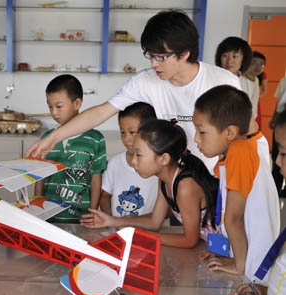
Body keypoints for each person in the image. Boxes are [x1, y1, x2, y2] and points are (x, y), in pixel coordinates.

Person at [26, 10, 244, 173]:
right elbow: (102, 112)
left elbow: (243, 138)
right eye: (150, 55)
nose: (154, 63)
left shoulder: (223, 82)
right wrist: (53, 138)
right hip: (177, 181)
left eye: (161, 57)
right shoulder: (147, 81)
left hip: (220, 179)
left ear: (184, 53)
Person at [81, 119, 218, 249]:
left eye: (139, 155)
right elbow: (154, 221)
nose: (133, 161)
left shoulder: (185, 186)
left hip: (225, 248)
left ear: (164, 158)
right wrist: (113, 221)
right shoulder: (165, 180)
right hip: (212, 245)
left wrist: (140, 236)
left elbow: (190, 241)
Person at [194, 85, 280, 281]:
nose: (196, 139)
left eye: (202, 132)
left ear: (230, 132)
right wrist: (224, 250)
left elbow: (234, 218)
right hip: (246, 257)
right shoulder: (242, 149)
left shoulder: (240, 152)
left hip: (253, 268)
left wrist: (238, 265)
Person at [209, 108, 286, 295]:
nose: (277, 162)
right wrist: (269, 293)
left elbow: (233, 218)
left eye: (284, 153)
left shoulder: (241, 151)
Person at [34, 74, 107, 224]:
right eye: (50, 106)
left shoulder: (95, 139)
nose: (54, 112)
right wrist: (36, 208)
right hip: (49, 218)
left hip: (81, 219)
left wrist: (92, 213)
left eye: (59, 106)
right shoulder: (47, 138)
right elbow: (39, 177)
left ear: (77, 103)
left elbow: (96, 178)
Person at [100, 102, 158, 217]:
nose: (126, 138)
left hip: (149, 232)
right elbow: (104, 196)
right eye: (122, 132)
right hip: (119, 231)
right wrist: (112, 223)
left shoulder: (159, 165)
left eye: (132, 132)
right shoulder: (115, 163)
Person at [215, 37, 259, 122]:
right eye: (225, 56)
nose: (229, 61)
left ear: (243, 59)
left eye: (235, 56)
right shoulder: (210, 80)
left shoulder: (251, 86)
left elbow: (252, 115)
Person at [271, 76, 286, 195]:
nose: (277, 161)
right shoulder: (284, 81)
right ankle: (276, 186)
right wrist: (274, 117)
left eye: (284, 154)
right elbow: (279, 102)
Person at [245, 51, 267, 129]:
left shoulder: (256, 81)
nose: (257, 67)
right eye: (253, 63)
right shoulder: (239, 79)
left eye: (261, 64)